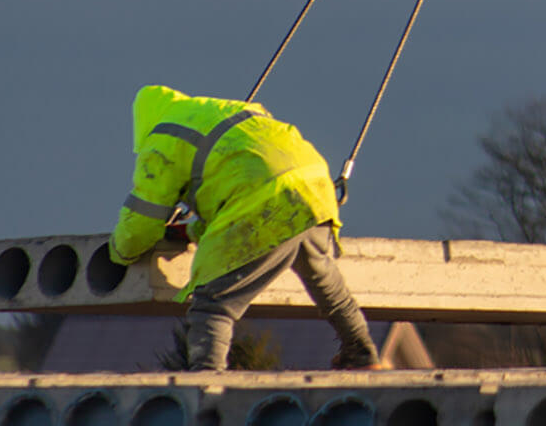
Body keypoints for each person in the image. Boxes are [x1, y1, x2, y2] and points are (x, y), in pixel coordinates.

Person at [107, 85, 381, 370]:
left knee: (213, 305)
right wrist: (191, 233)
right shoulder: (222, 114)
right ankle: (362, 353)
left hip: (263, 202)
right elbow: (233, 192)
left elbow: (141, 223)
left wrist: (119, 253)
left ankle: (205, 382)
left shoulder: (163, 141)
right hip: (313, 188)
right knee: (324, 281)